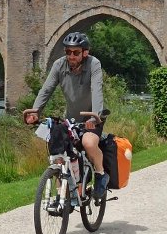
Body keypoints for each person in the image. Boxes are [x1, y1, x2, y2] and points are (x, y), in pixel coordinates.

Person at [22, 31, 109, 198]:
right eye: (68, 52)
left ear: (85, 52)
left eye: (76, 52)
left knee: (89, 143)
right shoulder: (59, 65)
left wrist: (94, 117)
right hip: (71, 118)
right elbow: (46, 90)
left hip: (93, 117)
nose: (71, 56)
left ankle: (100, 174)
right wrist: (35, 111)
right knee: (58, 153)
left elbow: (97, 91)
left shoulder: (94, 64)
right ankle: (63, 196)